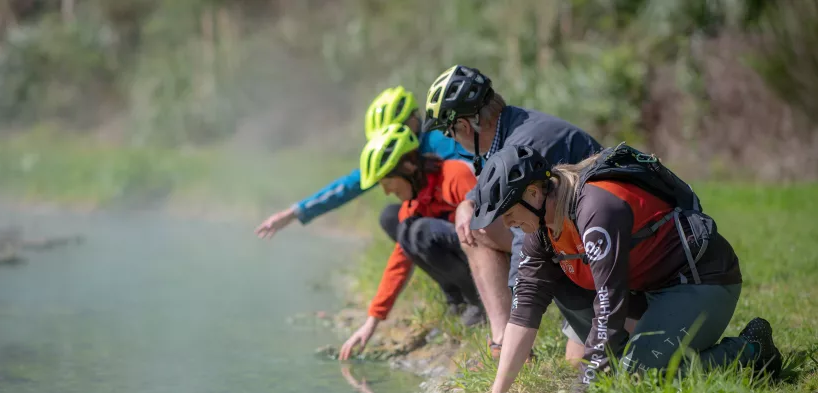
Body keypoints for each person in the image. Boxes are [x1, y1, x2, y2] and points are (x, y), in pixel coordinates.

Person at [469, 144, 784, 393]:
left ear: (534, 193)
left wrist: (582, 391)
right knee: (615, 373)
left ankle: (752, 350)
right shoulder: (541, 230)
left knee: (637, 381)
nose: (508, 225)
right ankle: (637, 357)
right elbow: (524, 309)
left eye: (509, 214)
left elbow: (609, 305)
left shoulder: (595, 208)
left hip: (700, 280)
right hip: (647, 290)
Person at [422, 65, 605, 360]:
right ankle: (503, 340)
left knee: (576, 363)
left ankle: (515, 341)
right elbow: (491, 187)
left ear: (464, 128)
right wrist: (466, 203)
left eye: (451, 134)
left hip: (602, 250)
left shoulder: (524, 142)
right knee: (475, 224)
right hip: (575, 239)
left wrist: (522, 310)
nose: (454, 141)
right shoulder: (511, 127)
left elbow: (526, 235)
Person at [255, 86, 475, 317]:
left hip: (467, 221)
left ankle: (477, 294)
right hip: (439, 220)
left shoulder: (441, 144)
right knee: (393, 217)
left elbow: (472, 182)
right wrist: (295, 212)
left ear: (412, 121)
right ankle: (456, 296)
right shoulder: (394, 154)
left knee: (419, 229)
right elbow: (347, 186)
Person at [338, 123, 482, 360]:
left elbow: (495, 230)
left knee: (420, 231)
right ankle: (462, 302)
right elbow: (399, 261)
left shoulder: (455, 176)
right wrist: (371, 322)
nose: (386, 192)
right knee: (409, 232)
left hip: (496, 258)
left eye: (388, 182)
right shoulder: (414, 203)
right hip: (471, 257)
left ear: (408, 167)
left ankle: (482, 304)